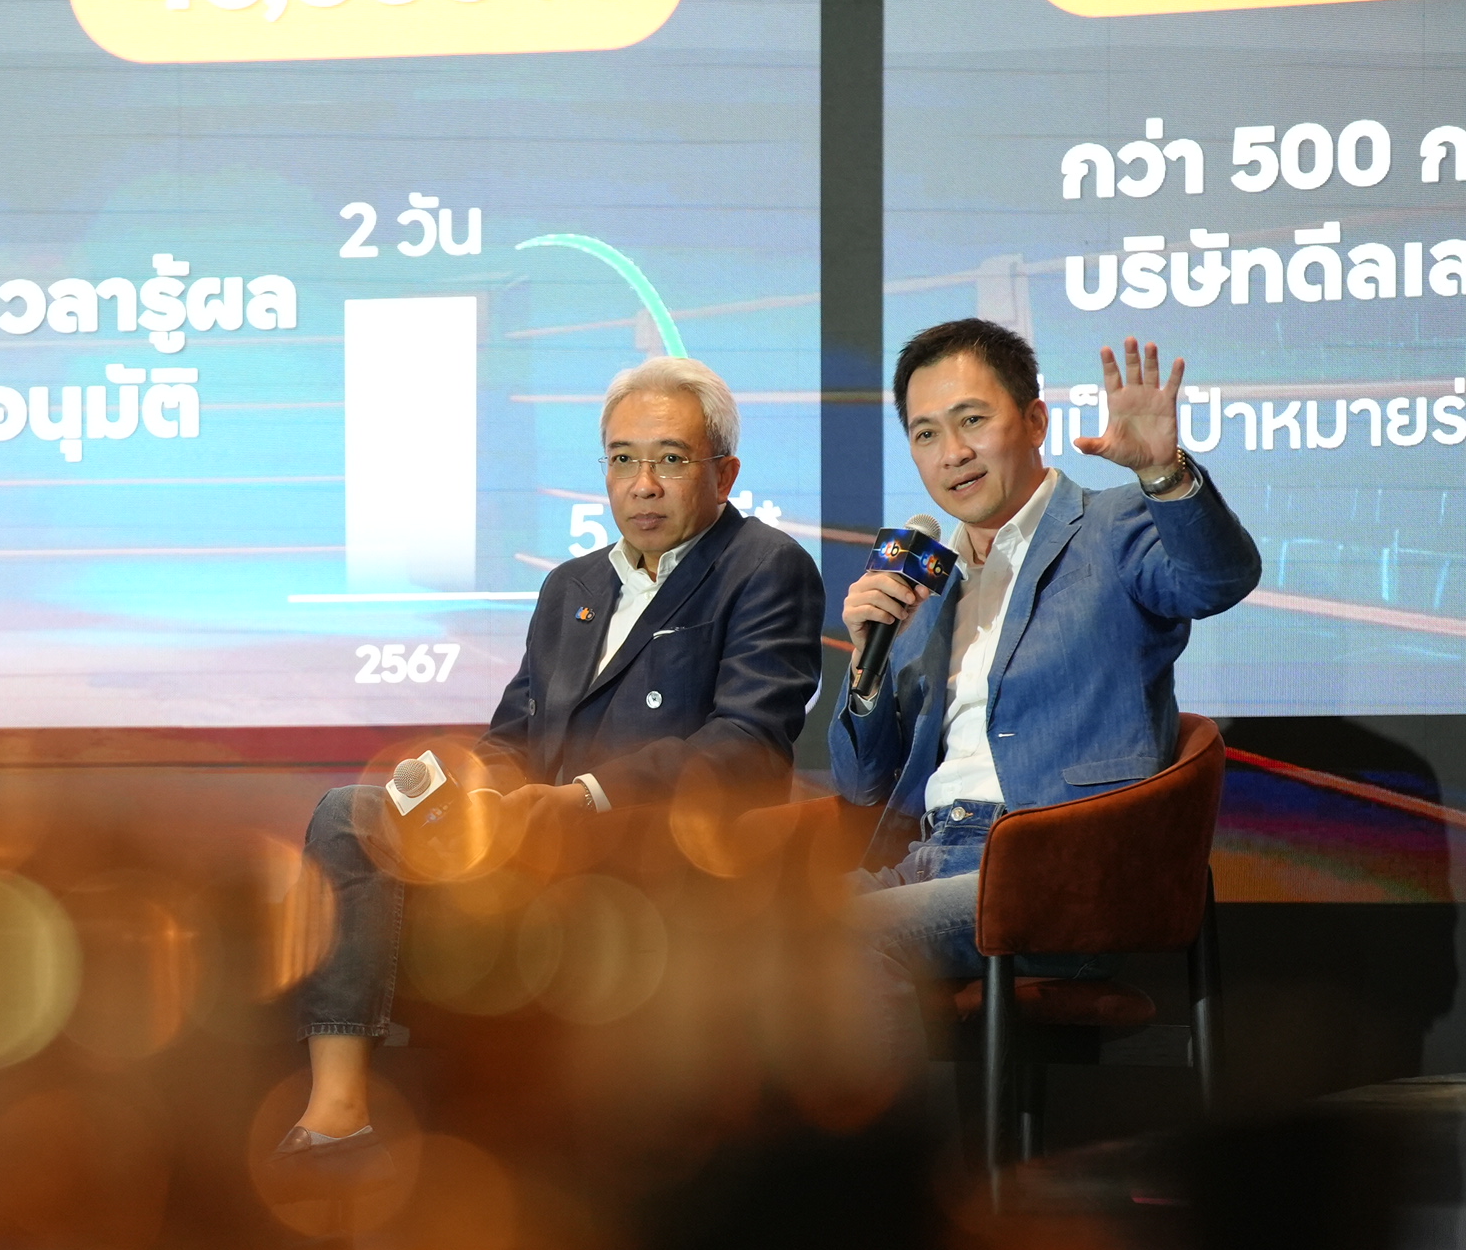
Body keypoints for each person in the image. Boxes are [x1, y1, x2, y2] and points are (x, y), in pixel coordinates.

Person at [273, 355, 826, 1191]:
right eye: (622, 459)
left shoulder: (763, 566)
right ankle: (339, 1112)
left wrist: (585, 800)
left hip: (647, 855)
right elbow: (514, 739)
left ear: (724, 473)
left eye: (670, 460)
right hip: (526, 849)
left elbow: (748, 746)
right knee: (349, 814)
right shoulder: (573, 585)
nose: (642, 484)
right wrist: (464, 786)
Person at [831, 320, 1262, 1056]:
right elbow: (862, 780)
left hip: (1061, 869)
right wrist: (863, 663)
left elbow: (1219, 579)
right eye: (927, 434)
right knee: (748, 938)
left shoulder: (1114, 525)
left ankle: (912, 1135)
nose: (952, 452)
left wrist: (1165, 475)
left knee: (843, 938)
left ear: (1035, 421)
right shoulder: (927, 588)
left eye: (972, 420)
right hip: (932, 857)